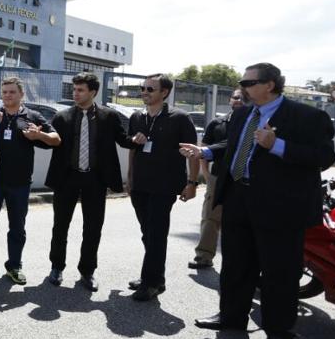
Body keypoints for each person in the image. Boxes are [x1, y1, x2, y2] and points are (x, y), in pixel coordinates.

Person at [182, 63, 335, 339]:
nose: (242, 87)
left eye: (248, 82)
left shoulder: (307, 116)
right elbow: (235, 144)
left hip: (281, 206)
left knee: (280, 272)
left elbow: (324, 156)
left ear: (270, 84)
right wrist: (206, 151)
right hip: (239, 197)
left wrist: (278, 145)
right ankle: (231, 318)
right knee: (236, 264)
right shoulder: (243, 114)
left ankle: (278, 333)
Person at [44, 72, 136, 291]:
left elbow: (123, 140)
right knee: (60, 226)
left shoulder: (109, 116)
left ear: (93, 92)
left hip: (96, 178)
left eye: (80, 90)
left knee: (93, 227)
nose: (75, 94)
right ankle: (56, 267)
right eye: (74, 90)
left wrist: (137, 139)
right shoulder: (62, 117)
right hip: (67, 178)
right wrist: (35, 136)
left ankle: (87, 271)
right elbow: (50, 142)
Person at [124, 74, 199, 301]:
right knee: (148, 233)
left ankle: (150, 282)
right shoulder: (137, 116)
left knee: (156, 234)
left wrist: (193, 183)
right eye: (142, 88)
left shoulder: (180, 118)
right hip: (140, 185)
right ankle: (156, 277)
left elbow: (193, 152)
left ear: (164, 92)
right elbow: (133, 149)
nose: (144, 92)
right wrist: (129, 177)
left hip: (165, 186)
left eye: (150, 89)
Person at [0, 77, 61, 284]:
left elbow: (56, 139)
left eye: (12, 92)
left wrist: (38, 136)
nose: (7, 95)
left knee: (17, 227)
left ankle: (14, 266)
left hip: (20, 183)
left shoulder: (32, 116)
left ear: (21, 95)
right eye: (4, 92)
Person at [191, 88, 245, 269]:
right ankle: (203, 256)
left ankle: (237, 262)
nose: (238, 101)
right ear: (230, 100)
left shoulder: (254, 123)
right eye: (236, 97)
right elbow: (204, 150)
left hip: (244, 180)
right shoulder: (216, 123)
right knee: (210, 217)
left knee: (239, 221)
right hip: (217, 178)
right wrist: (206, 175)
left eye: (243, 98)